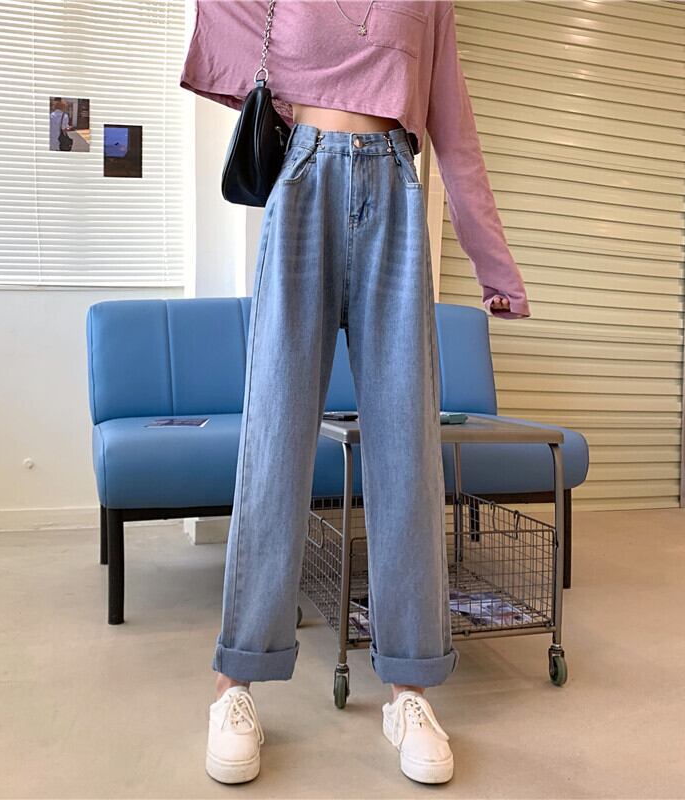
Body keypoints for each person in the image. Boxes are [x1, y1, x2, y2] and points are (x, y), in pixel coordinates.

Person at [180, 0, 531, 786]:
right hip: (301, 182)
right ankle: (234, 684)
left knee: (406, 450)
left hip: (395, 193)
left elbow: (455, 129)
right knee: (274, 440)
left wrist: (494, 264)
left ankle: (409, 691)